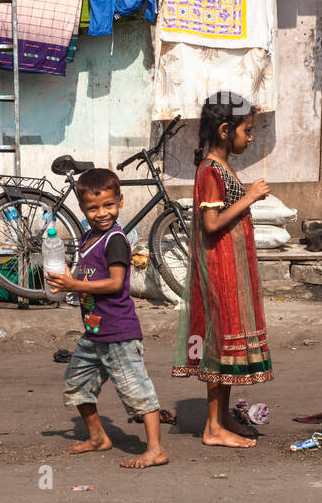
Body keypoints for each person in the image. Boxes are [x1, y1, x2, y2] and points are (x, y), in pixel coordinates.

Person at [47, 168, 169, 469]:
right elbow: (87, 275)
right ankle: (98, 437)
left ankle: (155, 449)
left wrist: (75, 285)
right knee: (76, 384)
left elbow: (115, 283)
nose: (102, 213)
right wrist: (67, 277)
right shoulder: (88, 238)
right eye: (93, 208)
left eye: (108, 205)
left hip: (119, 333)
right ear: (82, 209)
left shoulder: (115, 239)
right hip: (94, 334)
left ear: (120, 201)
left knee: (138, 393)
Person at [172, 92, 273, 448]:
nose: (251, 137)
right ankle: (212, 427)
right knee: (218, 346)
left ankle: (223, 416)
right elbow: (211, 223)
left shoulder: (222, 166)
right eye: (248, 130)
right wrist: (250, 197)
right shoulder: (210, 170)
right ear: (226, 130)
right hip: (219, 271)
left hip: (232, 269)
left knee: (227, 347)